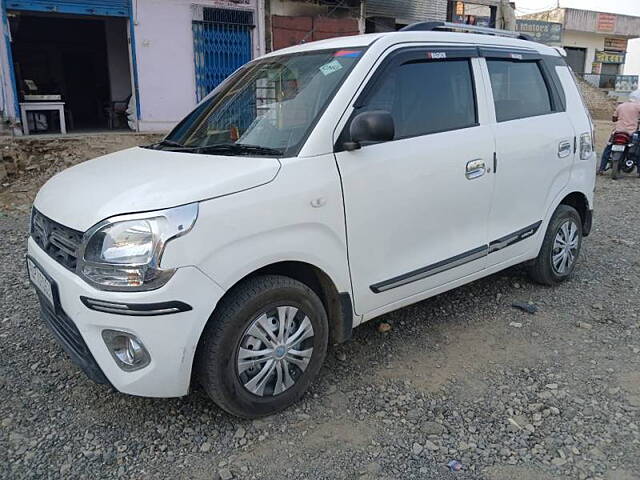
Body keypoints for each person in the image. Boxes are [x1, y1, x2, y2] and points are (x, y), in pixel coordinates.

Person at [598, 89, 640, 176]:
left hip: (618, 132)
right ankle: (639, 171)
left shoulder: (621, 106)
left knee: (608, 148)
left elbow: (614, 119)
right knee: (637, 149)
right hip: (631, 133)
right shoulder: (638, 106)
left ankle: (601, 169)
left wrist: (620, 118)